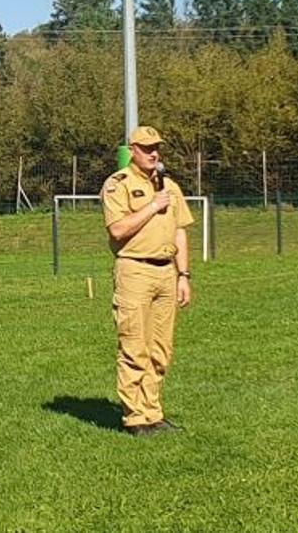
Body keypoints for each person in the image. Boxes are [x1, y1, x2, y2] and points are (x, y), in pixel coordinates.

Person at [101, 126, 196, 436]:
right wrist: (153, 206)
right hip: (135, 271)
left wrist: (184, 275)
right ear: (133, 150)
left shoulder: (170, 186)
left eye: (156, 147)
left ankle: (153, 413)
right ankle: (135, 418)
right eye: (146, 147)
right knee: (134, 347)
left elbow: (180, 230)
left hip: (167, 272)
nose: (154, 153)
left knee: (160, 349)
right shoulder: (119, 185)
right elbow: (117, 230)